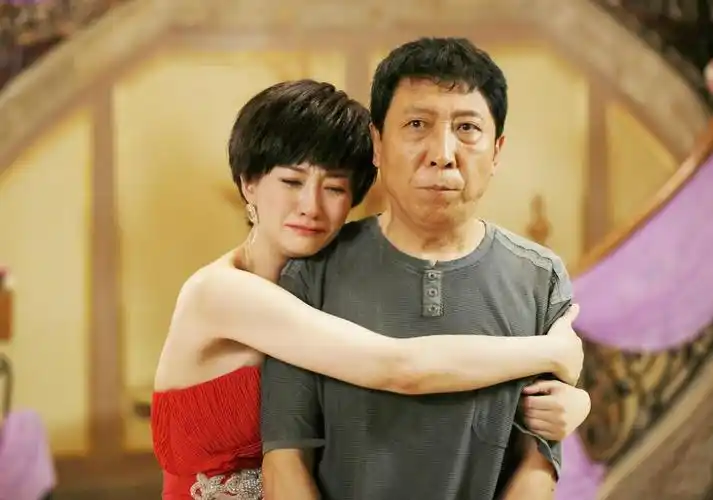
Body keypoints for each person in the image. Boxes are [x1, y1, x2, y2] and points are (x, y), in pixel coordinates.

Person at [151, 79, 590, 500]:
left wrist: (576, 403)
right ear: (249, 183)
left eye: (334, 188)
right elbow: (399, 367)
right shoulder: (219, 292)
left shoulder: (333, 290)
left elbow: (428, 394)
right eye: (291, 181)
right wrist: (551, 351)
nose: (311, 206)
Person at [260, 39, 586, 500]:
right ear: (377, 144)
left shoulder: (539, 278)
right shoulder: (312, 275)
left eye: (467, 128)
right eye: (417, 124)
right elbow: (284, 459)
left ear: (497, 150)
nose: (443, 153)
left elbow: (538, 463)